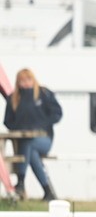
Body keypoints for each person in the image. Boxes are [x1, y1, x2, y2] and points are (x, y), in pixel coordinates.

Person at [3, 68, 62, 201]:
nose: (26, 83)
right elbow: (8, 121)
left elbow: (57, 113)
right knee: (31, 153)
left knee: (28, 145)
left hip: (44, 139)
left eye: (28, 79)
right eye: (22, 80)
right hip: (24, 140)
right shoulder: (13, 98)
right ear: (18, 82)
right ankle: (48, 191)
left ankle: (21, 182)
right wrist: (19, 129)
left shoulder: (44, 94)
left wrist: (43, 124)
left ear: (33, 79)